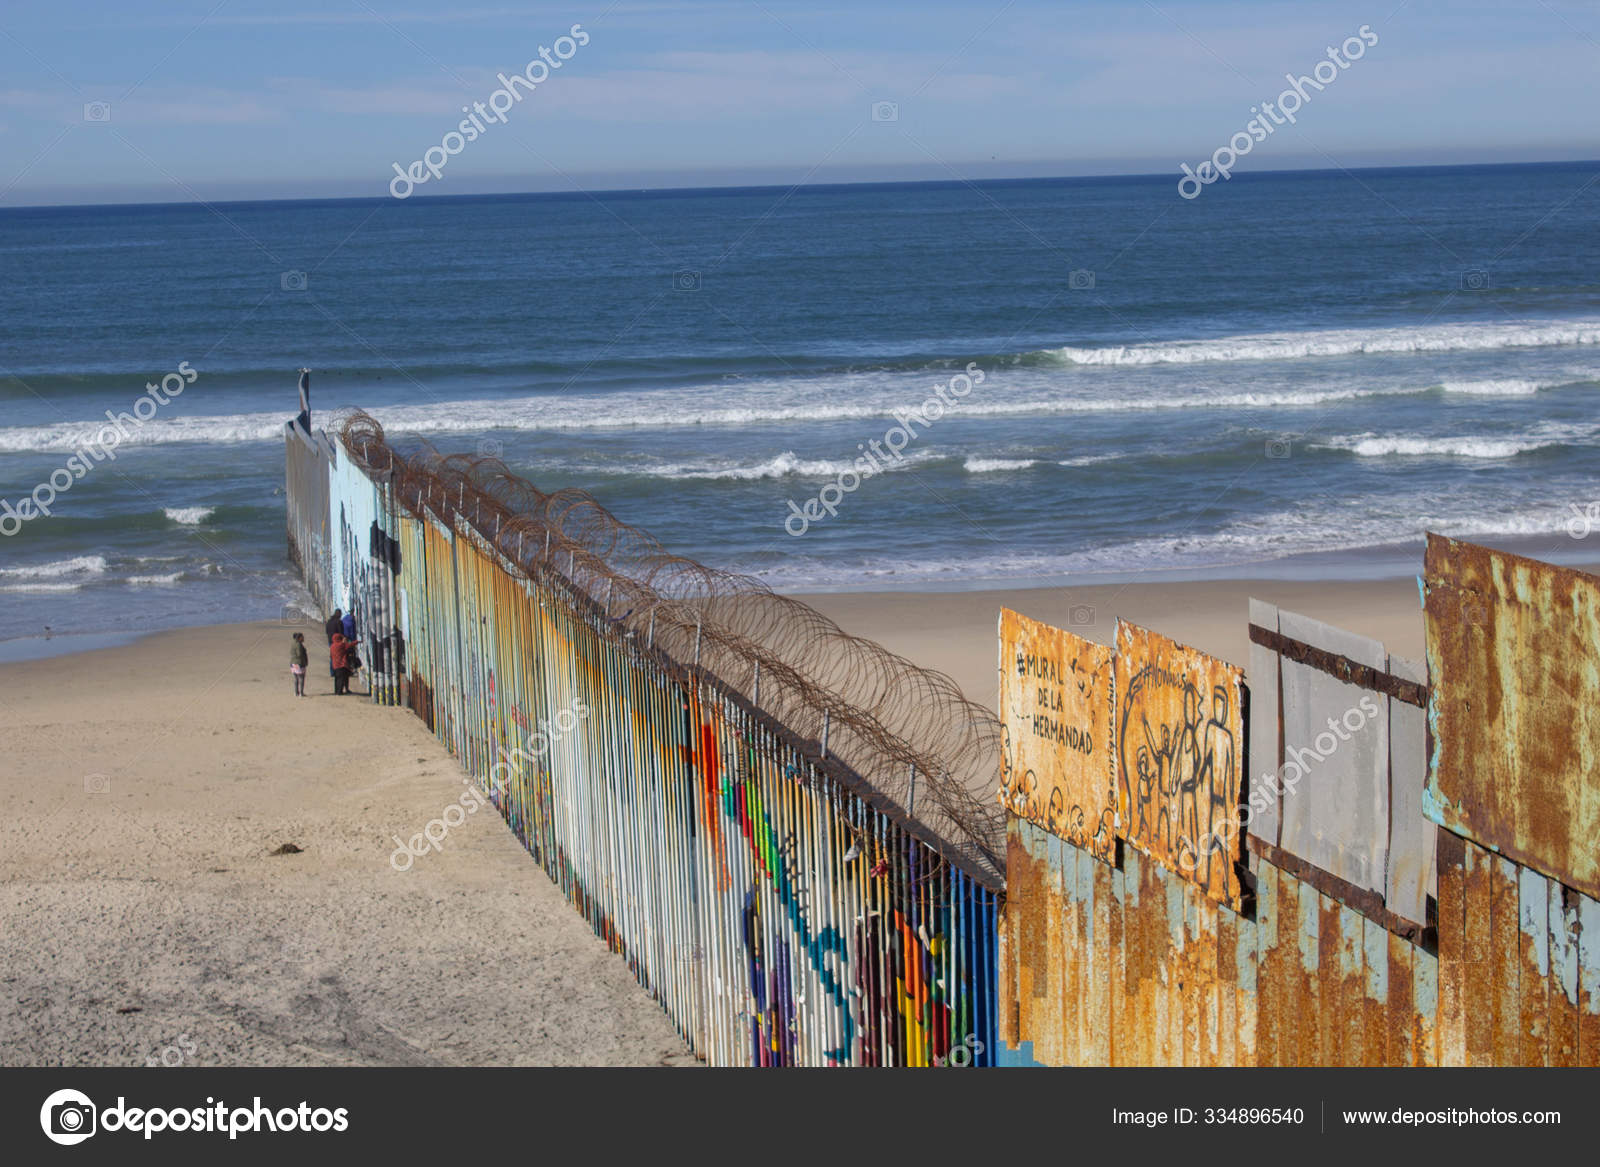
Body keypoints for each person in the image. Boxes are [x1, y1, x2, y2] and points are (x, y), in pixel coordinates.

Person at [290, 632, 308, 697]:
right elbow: (299, 654)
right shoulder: (299, 645)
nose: (303, 638)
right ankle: (301, 693)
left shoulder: (293, 643)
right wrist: (305, 661)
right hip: (299, 663)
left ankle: (296, 692)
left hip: (293, 663)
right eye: (302, 637)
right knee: (301, 678)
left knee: (296, 678)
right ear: (299, 638)